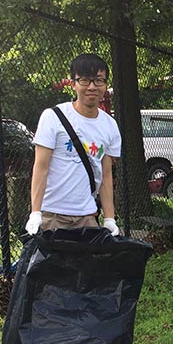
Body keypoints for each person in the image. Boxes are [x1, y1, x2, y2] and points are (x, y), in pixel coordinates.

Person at [26, 53, 122, 235]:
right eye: (85, 80)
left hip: (87, 216)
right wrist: (36, 213)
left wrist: (109, 218)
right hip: (52, 216)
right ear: (73, 84)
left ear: (106, 85)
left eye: (99, 81)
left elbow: (106, 175)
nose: (92, 87)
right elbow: (40, 168)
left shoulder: (110, 126)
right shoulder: (53, 117)